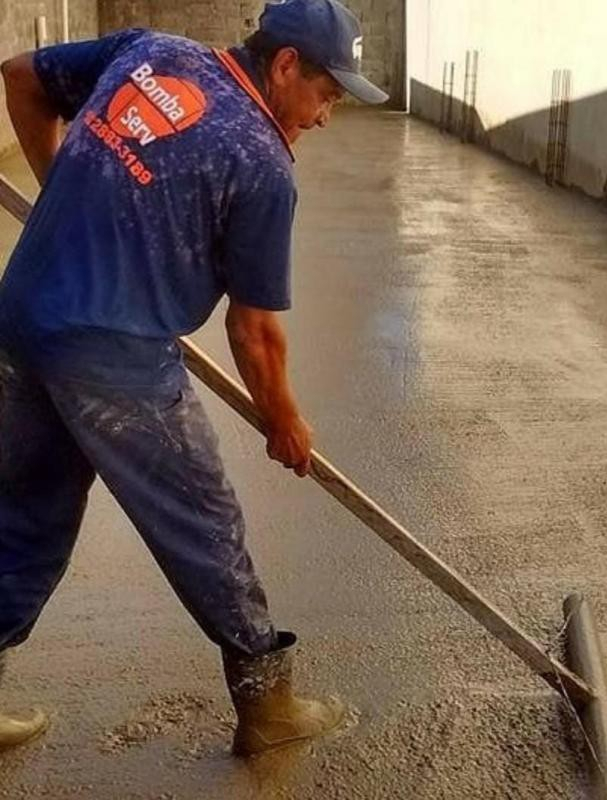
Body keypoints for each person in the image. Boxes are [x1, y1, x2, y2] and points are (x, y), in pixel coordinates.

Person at [0, 0, 387, 756]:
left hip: (22, 317)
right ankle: (268, 709)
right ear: (283, 66)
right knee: (204, 525)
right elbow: (254, 330)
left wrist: (65, 201)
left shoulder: (153, 52)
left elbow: (20, 77)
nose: (326, 115)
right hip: (116, 357)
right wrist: (285, 420)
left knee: (25, 518)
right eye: (327, 93)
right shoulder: (260, 163)